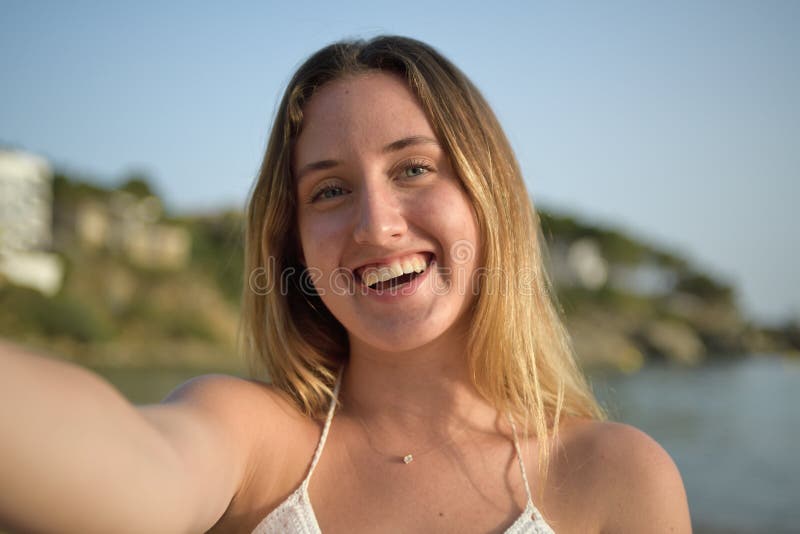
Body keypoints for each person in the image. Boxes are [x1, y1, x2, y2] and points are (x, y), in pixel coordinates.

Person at [0, 35, 691, 533]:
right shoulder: (256, 444)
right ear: (293, 239)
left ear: (490, 198)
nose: (377, 225)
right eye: (328, 190)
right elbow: (135, 471)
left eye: (414, 168)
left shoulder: (616, 477)